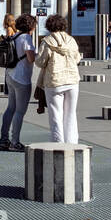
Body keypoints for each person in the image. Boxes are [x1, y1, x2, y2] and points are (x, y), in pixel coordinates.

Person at [32, 13, 83, 144]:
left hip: (54, 81)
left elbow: (40, 62)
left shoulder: (47, 42)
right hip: (72, 81)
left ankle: (58, 144)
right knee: (71, 114)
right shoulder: (71, 40)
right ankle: (72, 144)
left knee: (56, 115)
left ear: (49, 26)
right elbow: (77, 58)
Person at [0, 13, 37, 152]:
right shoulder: (26, 37)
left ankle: (3, 139)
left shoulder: (14, 35)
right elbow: (31, 59)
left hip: (10, 74)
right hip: (22, 78)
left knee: (10, 108)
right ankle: (15, 142)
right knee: (20, 111)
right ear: (31, 26)